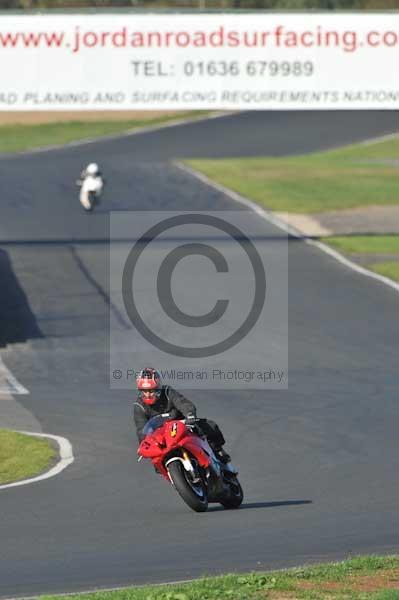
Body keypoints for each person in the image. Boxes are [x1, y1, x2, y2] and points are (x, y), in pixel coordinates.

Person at [133, 367, 231, 464]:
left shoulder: (167, 392)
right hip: (161, 438)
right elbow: (141, 429)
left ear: (158, 388)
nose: (148, 394)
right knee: (156, 462)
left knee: (209, 425)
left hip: (181, 426)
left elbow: (182, 403)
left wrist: (190, 415)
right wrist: (144, 443)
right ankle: (172, 474)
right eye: (144, 391)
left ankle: (218, 450)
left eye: (151, 391)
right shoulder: (139, 406)